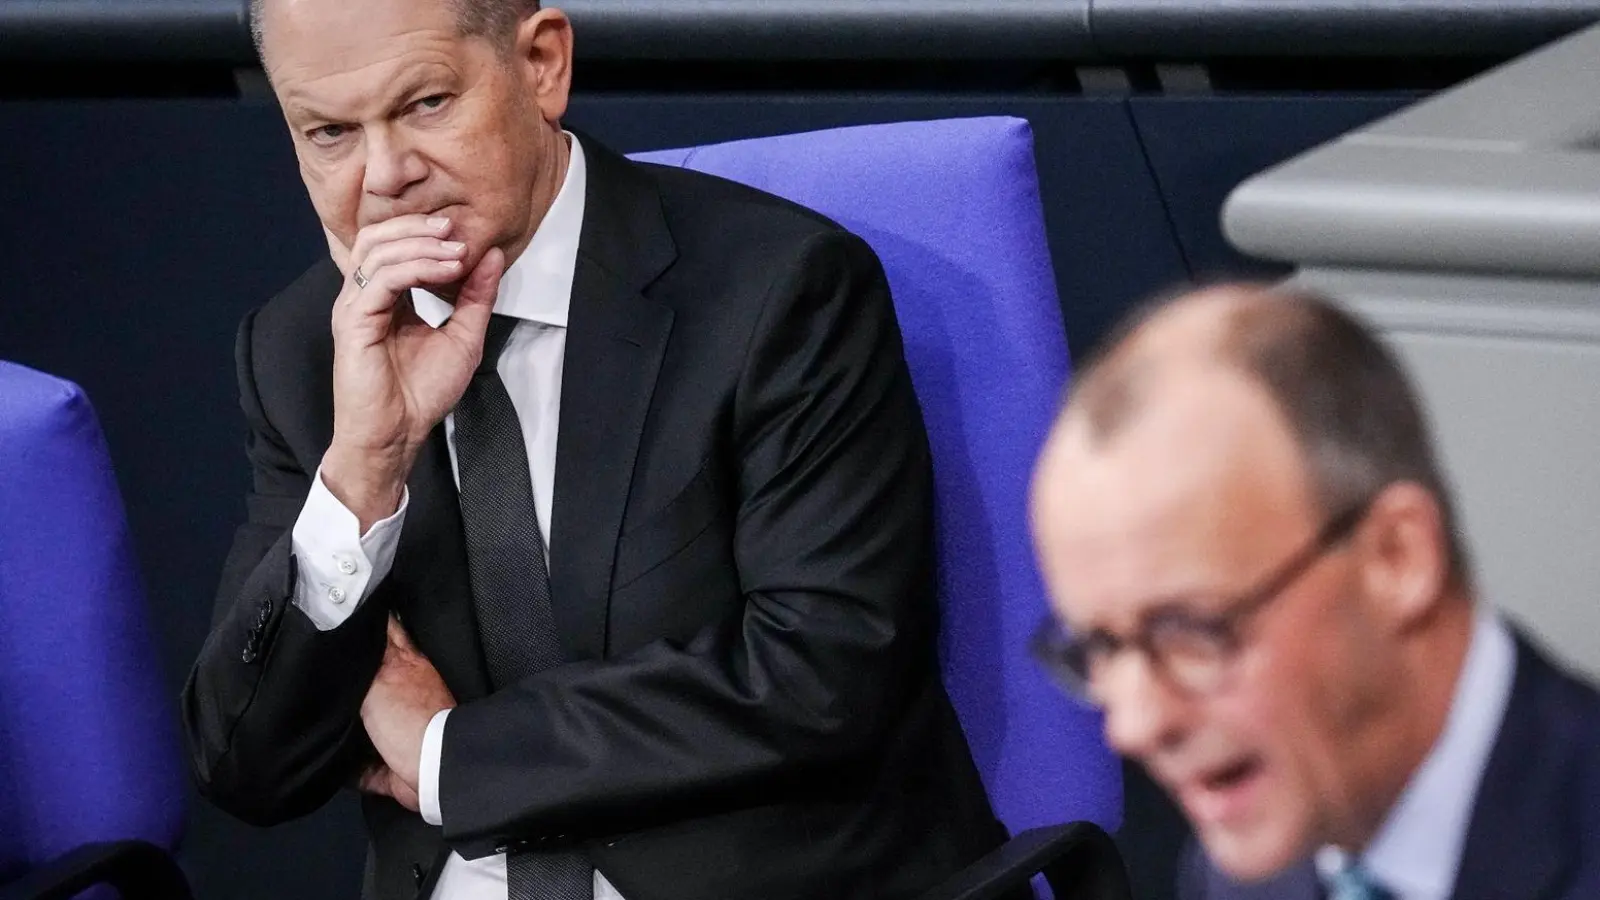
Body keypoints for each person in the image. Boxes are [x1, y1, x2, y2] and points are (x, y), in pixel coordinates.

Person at [179, 1, 1006, 898]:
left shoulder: (776, 290)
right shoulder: (308, 349)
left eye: (424, 104)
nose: (387, 176)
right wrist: (365, 469)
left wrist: (448, 756)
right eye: (331, 132)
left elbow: (824, 671)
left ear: (542, 65)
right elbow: (248, 766)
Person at [1028, 284, 1600, 900]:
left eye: (1189, 630)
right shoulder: (1243, 868)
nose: (1134, 725)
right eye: (1102, 647)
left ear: (1396, 558)